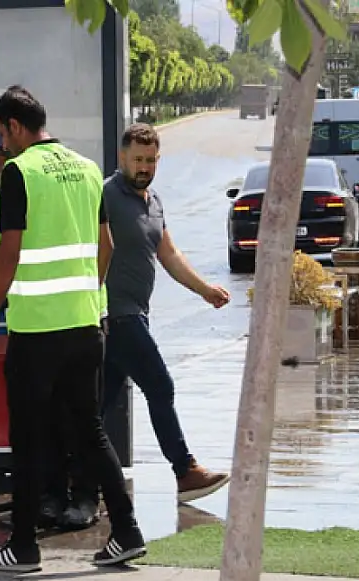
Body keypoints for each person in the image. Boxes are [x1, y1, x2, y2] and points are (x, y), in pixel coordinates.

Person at [0, 85, 145, 573]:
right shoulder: (88, 169)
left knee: (28, 436)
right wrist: (86, 294)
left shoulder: (18, 171)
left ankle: (24, 547)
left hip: (36, 331)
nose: (1, 145)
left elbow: (10, 249)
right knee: (90, 430)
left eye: (2, 133)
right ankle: (128, 531)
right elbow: (106, 245)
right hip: (86, 325)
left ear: (13, 126)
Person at [0, 122, 94, 531]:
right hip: (33, 323)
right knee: (43, 419)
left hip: (75, 318)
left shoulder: (44, 188)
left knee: (79, 419)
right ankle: (51, 499)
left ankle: (87, 500)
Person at [101, 123, 232, 503]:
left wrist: (205, 290)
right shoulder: (106, 196)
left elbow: (168, 254)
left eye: (151, 160)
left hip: (135, 315)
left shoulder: (153, 200)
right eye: (137, 159)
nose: (144, 167)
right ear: (122, 158)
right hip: (115, 316)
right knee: (160, 385)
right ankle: (185, 470)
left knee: (98, 406)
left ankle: (68, 477)